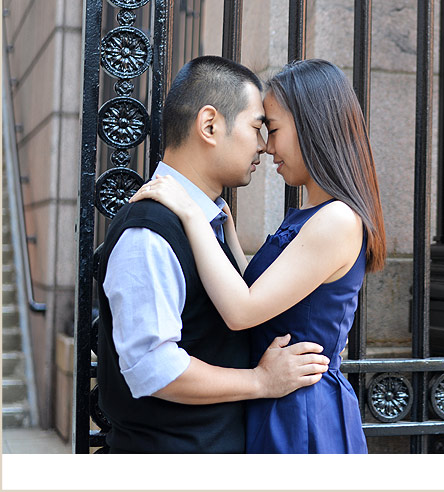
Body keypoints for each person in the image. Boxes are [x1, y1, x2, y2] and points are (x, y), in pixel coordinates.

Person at [131, 58, 386, 454]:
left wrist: (189, 213)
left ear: (312, 127)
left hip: (301, 412)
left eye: (274, 129)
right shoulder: (310, 216)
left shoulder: (336, 218)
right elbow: (263, 295)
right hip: (279, 401)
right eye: (261, 130)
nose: (266, 147)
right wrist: (225, 231)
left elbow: (243, 311)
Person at [97, 56, 330, 454]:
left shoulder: (209, 222)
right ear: (210, 126)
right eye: (258, 126)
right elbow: (154, 370)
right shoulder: (149, 232)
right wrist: (261, 381)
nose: (264, 145)